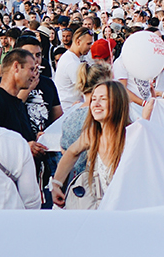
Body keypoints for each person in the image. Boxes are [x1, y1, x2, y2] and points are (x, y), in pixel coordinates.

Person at [52, 80, 130, 209]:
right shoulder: (93, 135)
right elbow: (72, 152)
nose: (96, 104)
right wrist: (56, 183)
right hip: (102, 212)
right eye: (93, 99)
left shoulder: (131, 136)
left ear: (118, 103)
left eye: (103, 99)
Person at [60, 62, 114, 186]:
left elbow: (64, 151)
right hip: (99, 184)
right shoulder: (103, 116)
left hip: (76, 185)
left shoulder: (70, 118)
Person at [53, 27, 93, 110]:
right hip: (69, 109)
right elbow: (84, 89)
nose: (90, 47)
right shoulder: (72, 62)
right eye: (88, 44)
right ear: (78, 42)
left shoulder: (70, 58)